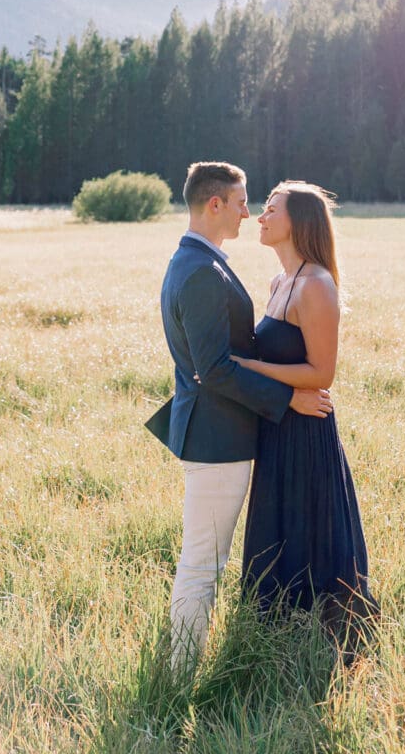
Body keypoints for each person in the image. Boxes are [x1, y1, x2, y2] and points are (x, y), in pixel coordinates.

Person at [146, 161, 333, 670]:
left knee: (205, 559)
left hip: (216, 432)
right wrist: (288, 399)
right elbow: (215, 370)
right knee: (203, 564)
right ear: (215, 204)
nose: (248, 213)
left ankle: (184, 663)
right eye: (242, 201)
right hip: (216, 436)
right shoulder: (202, 272)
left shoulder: (200, 261)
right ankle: (182, 673)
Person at [233, 180, 377, 639]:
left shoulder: (315, 284)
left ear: (299, 222)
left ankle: (329, 631)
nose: (261, 216)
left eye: (272, 209)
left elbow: (321, 373)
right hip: (278, 422)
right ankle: (273, 630)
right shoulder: (281, 281)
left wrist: (250, 365)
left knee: (309, 528)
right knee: (279, 522)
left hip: (306, 426)